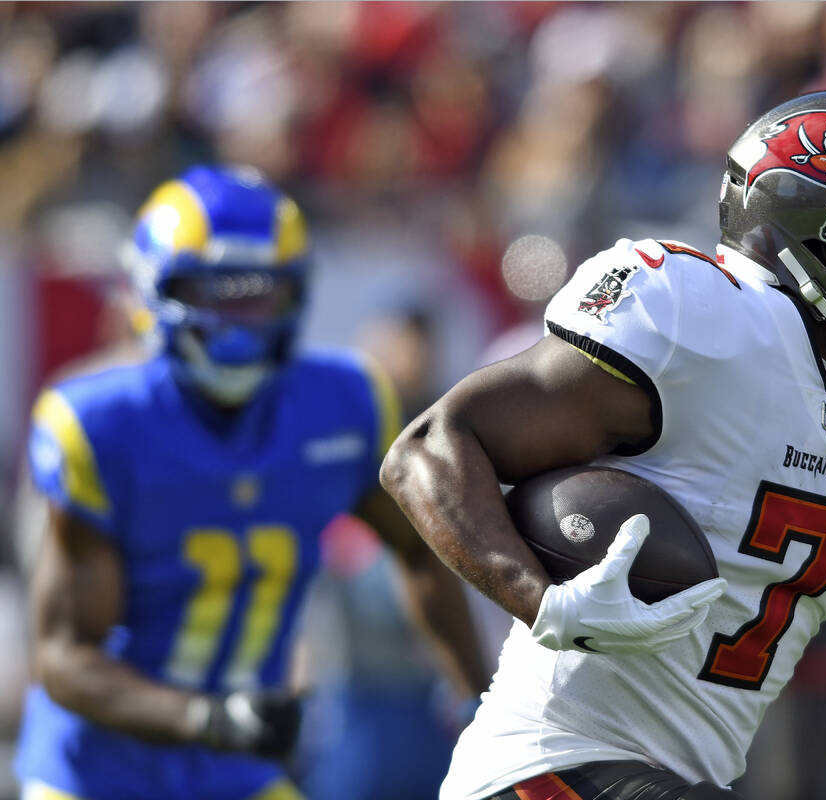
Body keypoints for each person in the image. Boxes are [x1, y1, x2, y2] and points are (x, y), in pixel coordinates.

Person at [380, 88, 826, 799]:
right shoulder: (692, 319)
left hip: (688, 779)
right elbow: (425, 450)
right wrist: (543, 602)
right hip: (545, 763)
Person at [15, 165, 489, 800]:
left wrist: (479, 705)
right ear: (150, 291)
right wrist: (205, 718)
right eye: (210, 293)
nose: (235, 322)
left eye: (254, 293)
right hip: (96, 773)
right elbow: (65, 659)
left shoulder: (346, 402)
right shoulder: (100, 424)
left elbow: (419, 551)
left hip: (239, 768)